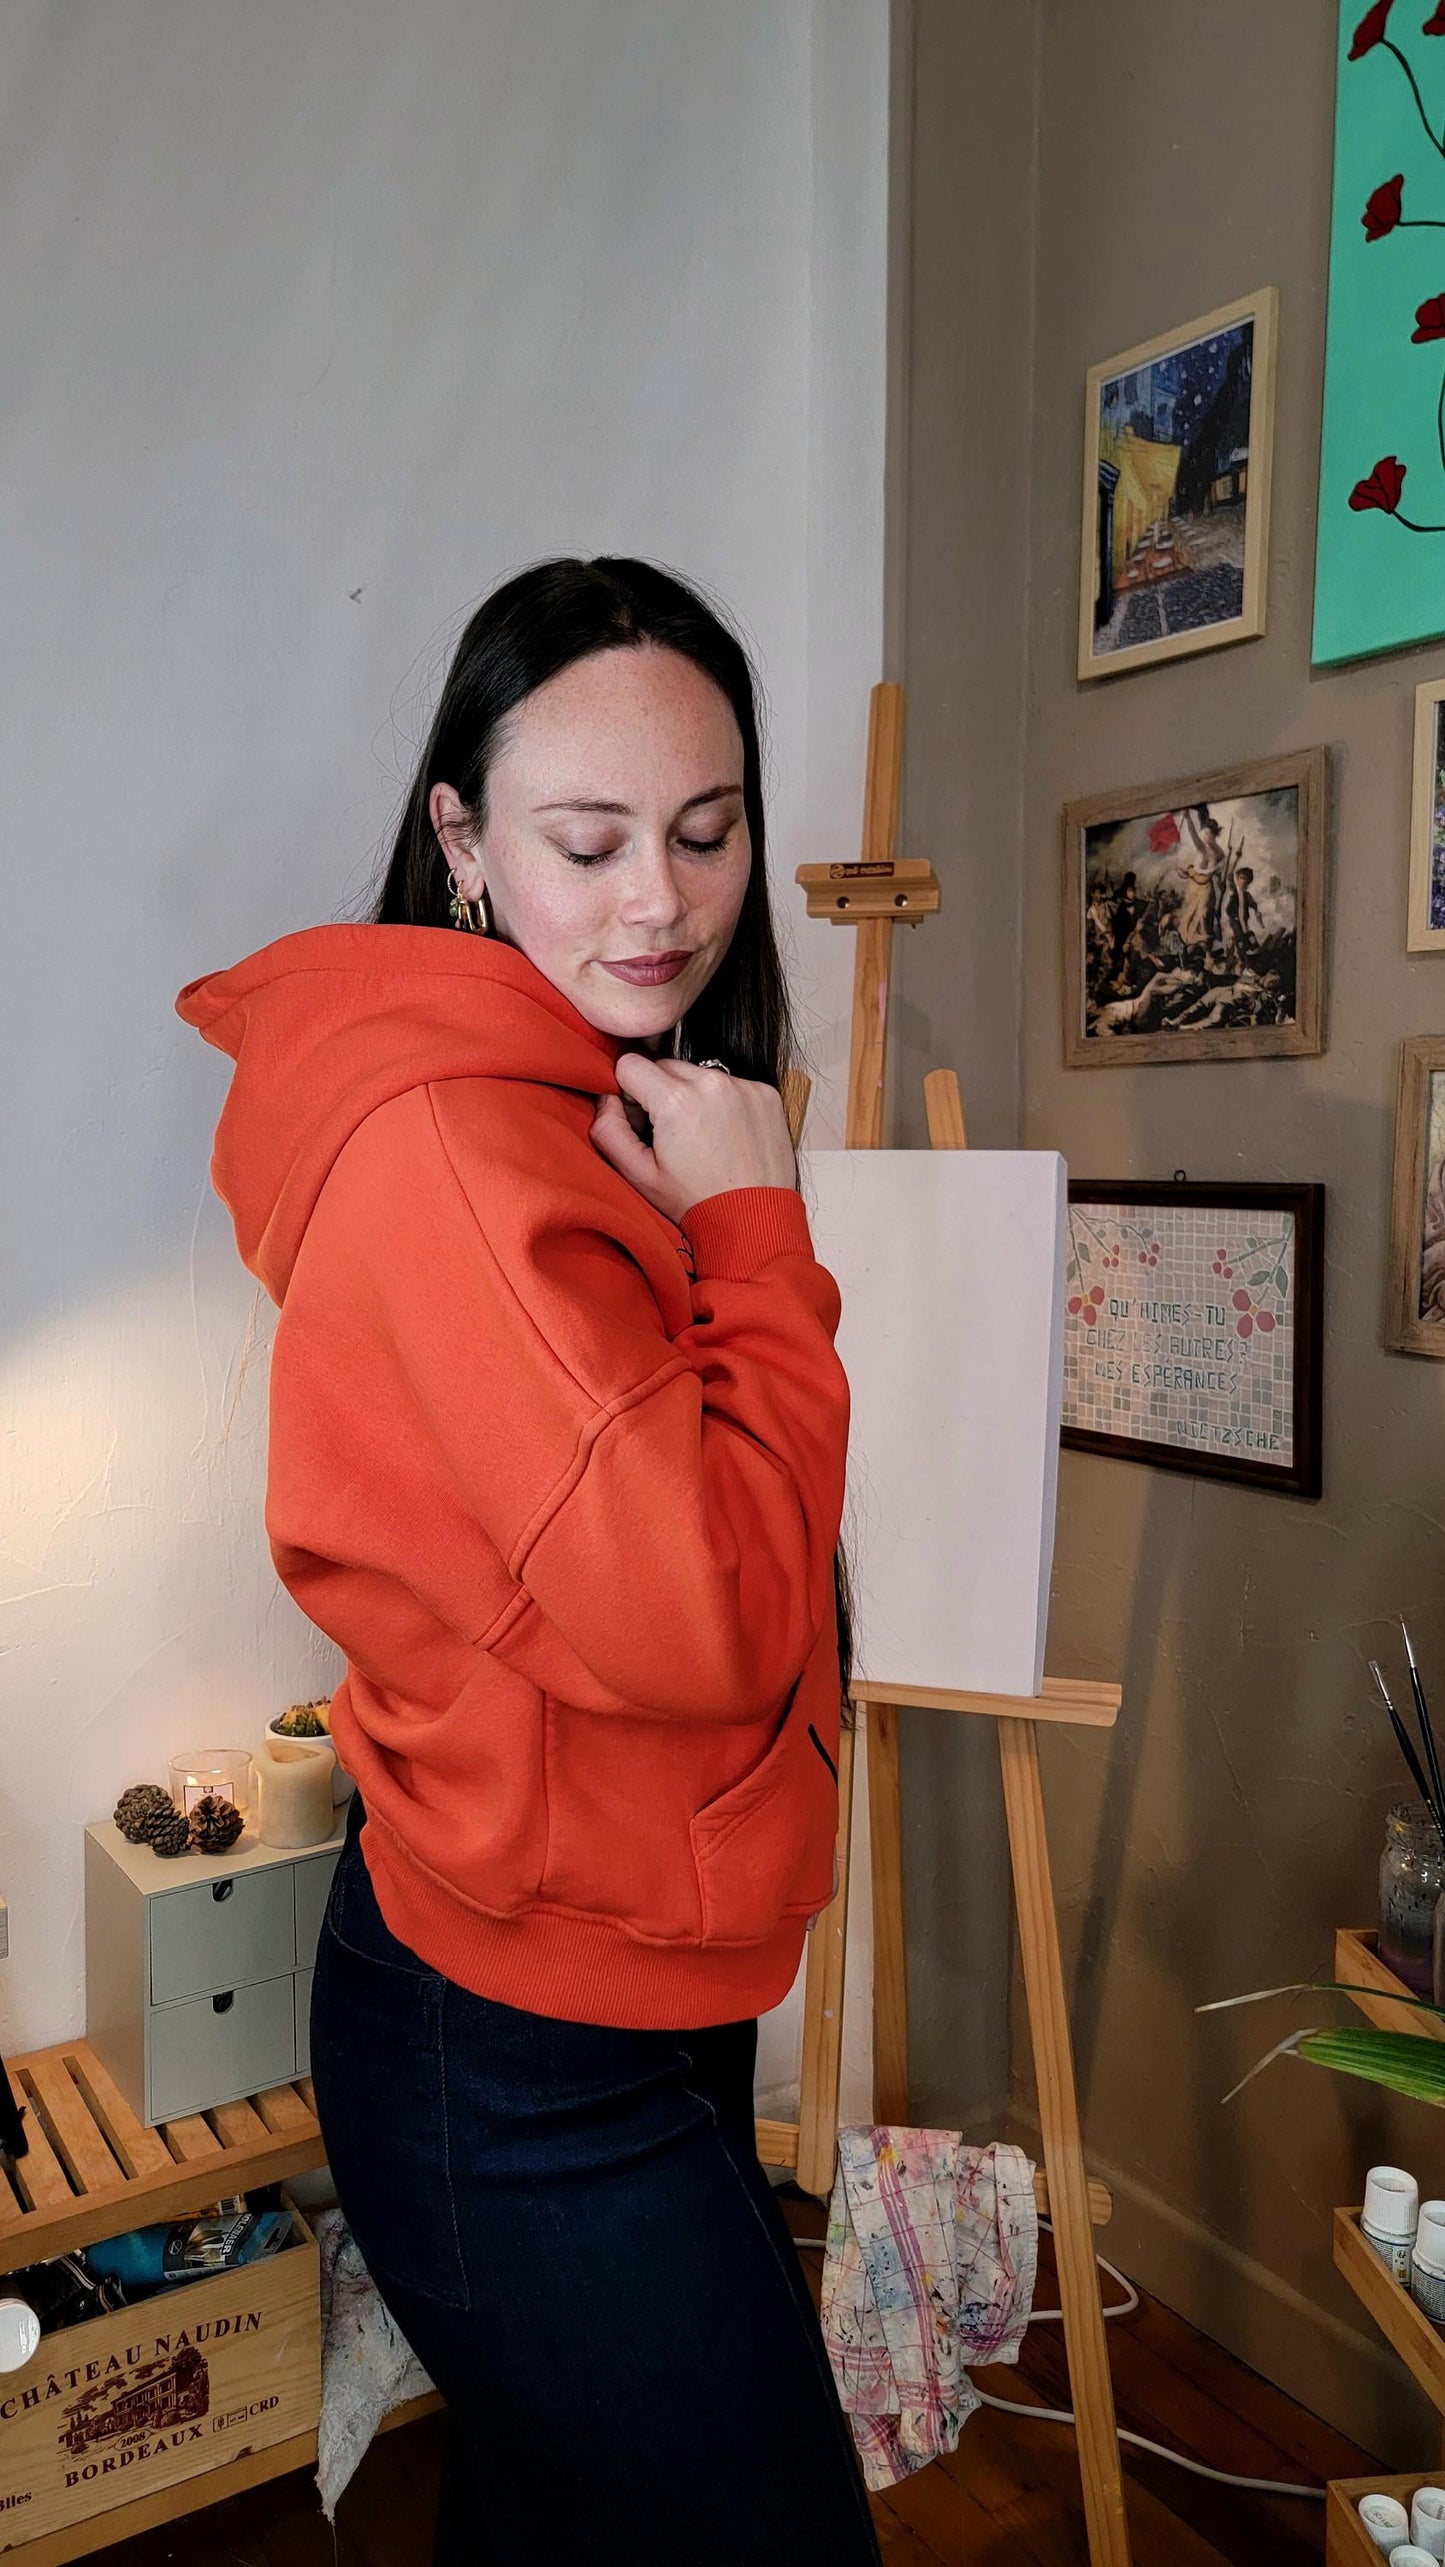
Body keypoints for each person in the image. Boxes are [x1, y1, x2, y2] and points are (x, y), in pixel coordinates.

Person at [174, 557, 882, 2567]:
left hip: (579, 1981)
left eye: (708, 830)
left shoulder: (571, 1107)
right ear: (463, 842)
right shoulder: (468, 1155)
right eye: (588, 843)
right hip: (526, 2052)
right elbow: (714, 1617)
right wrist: (760, 1235)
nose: (659, 900)